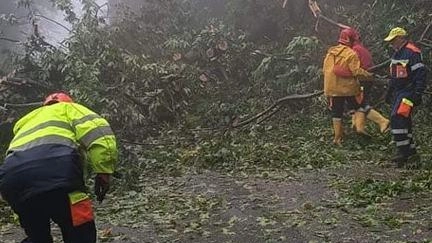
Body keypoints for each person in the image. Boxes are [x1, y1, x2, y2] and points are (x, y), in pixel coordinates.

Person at [0, 91, 118, 243]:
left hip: (12, 180)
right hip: (59, 172)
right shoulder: (69, 109)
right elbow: (100, 135)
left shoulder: (26, 121)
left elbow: (16, 163)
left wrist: (21, 203)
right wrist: (103, 172)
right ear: (68, 102)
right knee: (80, 232)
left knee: (38, 237)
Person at [383, 27, 427, 166]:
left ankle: (402, 152)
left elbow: (420, 74)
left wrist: (418, 93)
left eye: (393, 41)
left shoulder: (412, 52)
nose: (391, 44)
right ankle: (411, 153)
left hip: (409, 91)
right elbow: (394, 76)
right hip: (399, 92)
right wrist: (389, 92)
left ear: (401, 38)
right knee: (404, 121)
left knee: (397, 117)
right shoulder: (397, 54)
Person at [323, 28, 373, 145]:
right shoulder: (351, 54)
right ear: (351, 40)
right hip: (347, 88)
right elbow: (357, 72)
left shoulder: (331, 52)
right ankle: (359, 128)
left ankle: (337, 138)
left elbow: (325, 69)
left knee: (336, 112)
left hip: (332, 88)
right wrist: (369, 75)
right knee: (358, 107)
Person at [350, 29, 390, 135]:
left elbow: (354, 68)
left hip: (362, 80)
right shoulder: (361, 49)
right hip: (366, 80)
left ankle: (382, 121)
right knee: (357, 104)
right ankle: (357, 127)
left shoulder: (355, 50)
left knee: (360, 104)